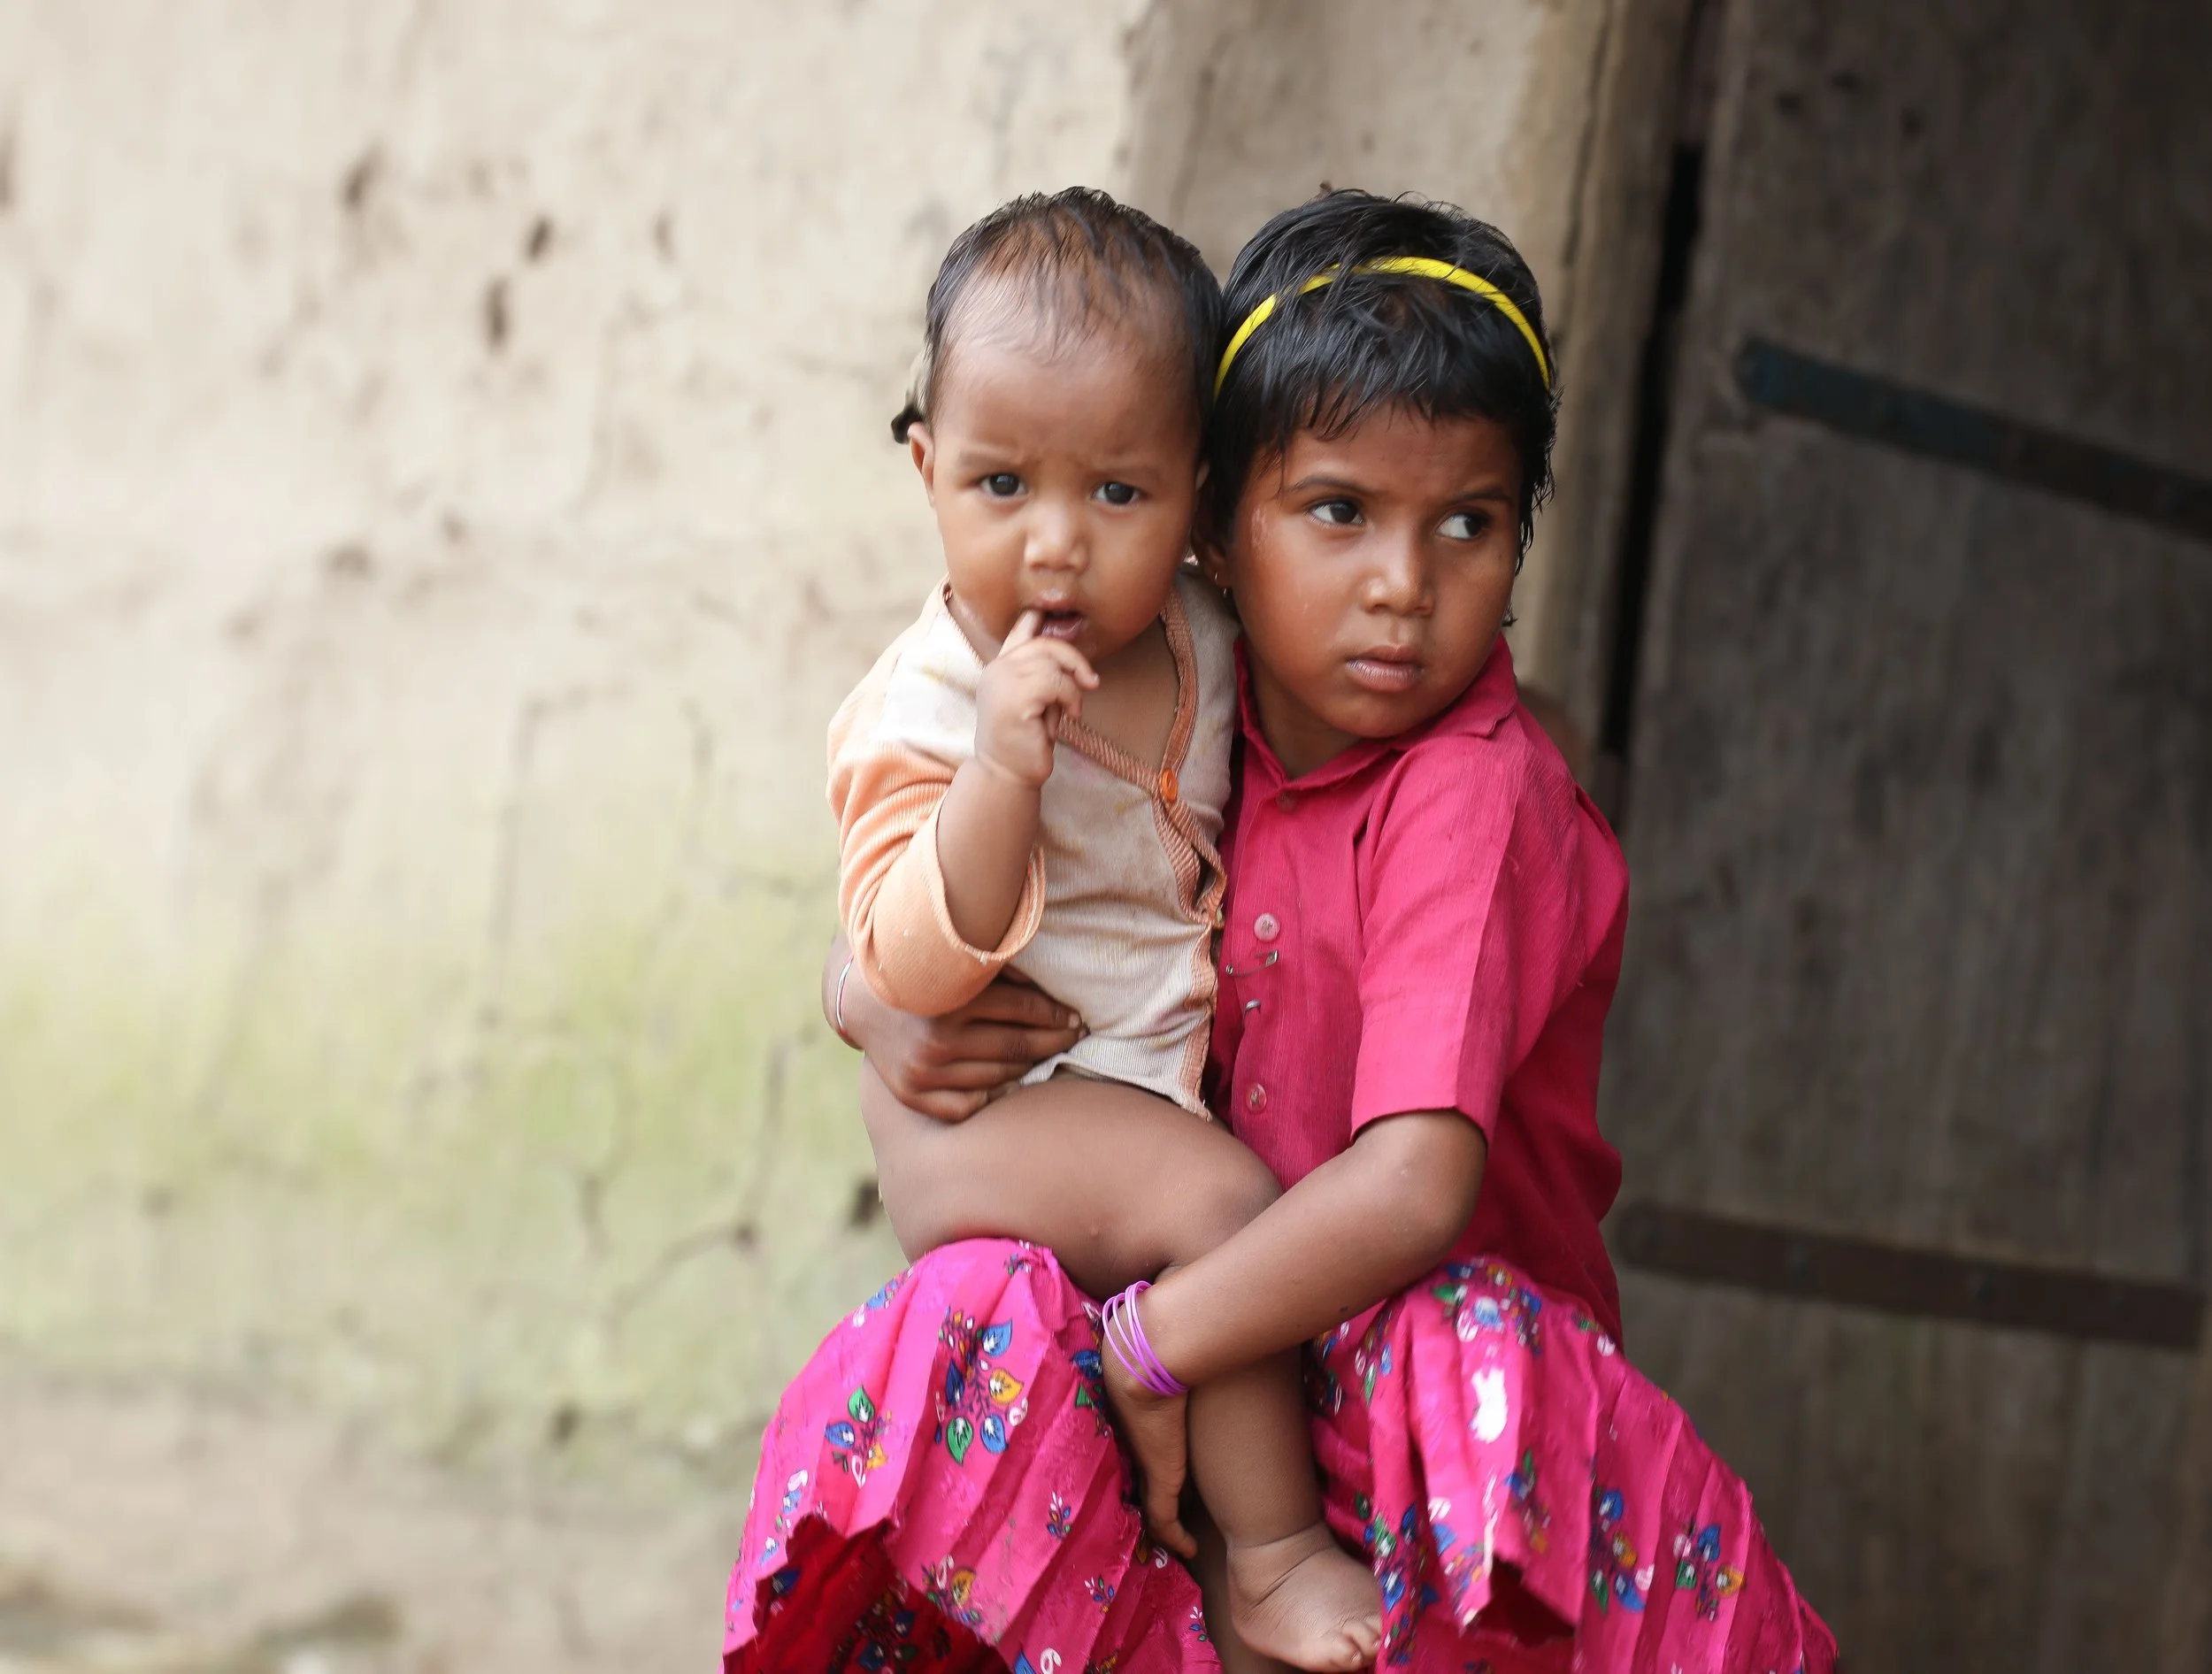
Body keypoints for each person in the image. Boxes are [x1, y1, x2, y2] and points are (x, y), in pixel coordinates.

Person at [726, 189, 1839, 1674]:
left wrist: (1150, 1346)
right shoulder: (1196, 692)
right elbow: (947, 866)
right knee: (972, 1350)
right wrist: (863, 992)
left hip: (1421, 1416)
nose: (1401, 587)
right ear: (1217, 524)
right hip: (1230, 1353)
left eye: (1470, 524)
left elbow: (1415, 1184)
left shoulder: (1466, 792)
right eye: (1338, 512)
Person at [746, 186, 1384, 1674]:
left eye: (1116, 494)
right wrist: (998, 776)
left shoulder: (1202, 633)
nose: (1056, 544)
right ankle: (1275, 1559)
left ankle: (1212, 1578)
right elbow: (909, 962)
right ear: (927, 471)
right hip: (991, 1110)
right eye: (1000, 485)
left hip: (1126, 1086)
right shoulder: (928, 704)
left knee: (1225, 1254)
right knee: (1229, 1216)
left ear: (1196, 491)